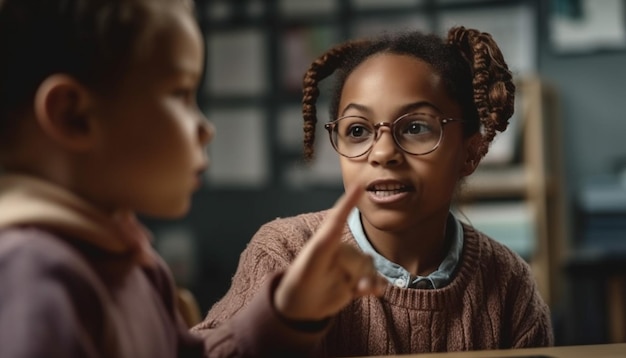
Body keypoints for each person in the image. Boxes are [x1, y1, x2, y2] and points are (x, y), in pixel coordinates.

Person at [0, 0, 386, 357]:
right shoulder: (33, 275)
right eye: (181, 93)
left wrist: (288, 313)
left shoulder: (130, 260)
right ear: (74, 116)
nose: (206, 129)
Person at [193, 26, 554, 356]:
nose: (382, 153)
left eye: (415, 127)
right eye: (357, 131)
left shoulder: (509, 283)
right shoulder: (284, 252)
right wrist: (285, 316)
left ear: (471, 153)